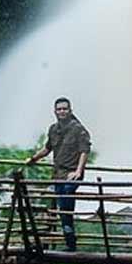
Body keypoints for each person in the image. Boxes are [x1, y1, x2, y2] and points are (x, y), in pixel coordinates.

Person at [26, 97, 90, 249]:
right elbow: (47, 148)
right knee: (64, 207)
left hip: (72, 174)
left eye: (65, 109)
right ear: (55, 111)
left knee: (65, 201)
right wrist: (34, 159)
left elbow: (84, 150)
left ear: (70, 111)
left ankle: (70, 241)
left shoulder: (78, 129)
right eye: (59, 109)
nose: (62, 111)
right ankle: (69, 241)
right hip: (58, 175)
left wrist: (78, 171)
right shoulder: (53, 129)